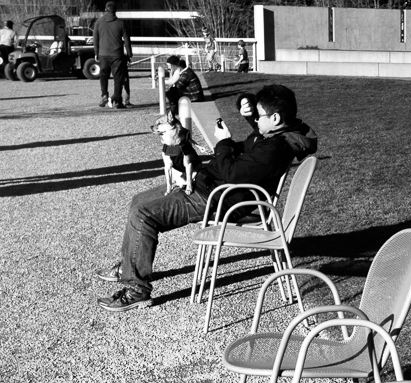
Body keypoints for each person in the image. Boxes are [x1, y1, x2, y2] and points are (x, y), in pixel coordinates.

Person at [95, 84, 318, 312]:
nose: (256, 122)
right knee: (138, 200)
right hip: (210, 186)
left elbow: (233, 173)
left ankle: (136, 289)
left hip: (219, 199)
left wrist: (222, 143)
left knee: (143, 214)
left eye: (260, 116)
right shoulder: (272, 135)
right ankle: (130, 267)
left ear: (277, 118)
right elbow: (247, 150)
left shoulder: (274, 148)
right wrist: (244, 113)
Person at [93, 1, 132, 108]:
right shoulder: (121, 23)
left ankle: (104, 95)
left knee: (103, 76)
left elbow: (95, 40)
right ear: (115, 10)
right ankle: (117, 101)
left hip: (103, 54)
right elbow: (127, 40)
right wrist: (129, 54)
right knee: (118, 78)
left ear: (105, 9)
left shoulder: (98, 22)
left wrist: (96, 53)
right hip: (117, 55)